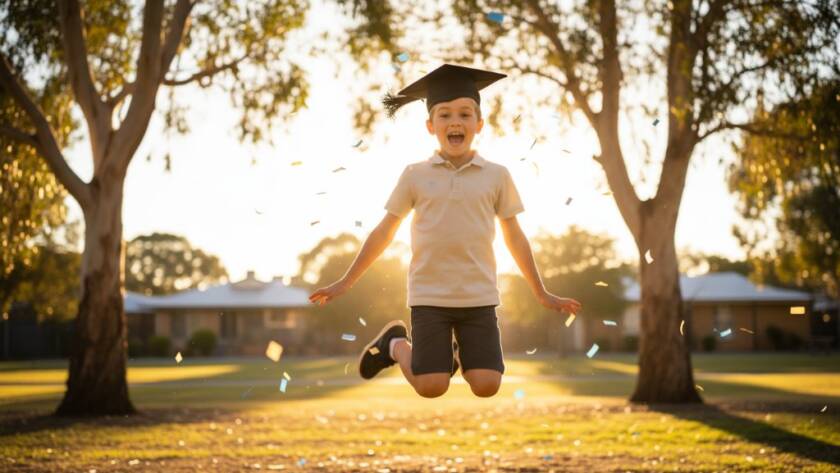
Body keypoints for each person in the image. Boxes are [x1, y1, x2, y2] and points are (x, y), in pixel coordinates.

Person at [309, 64, 581, 398]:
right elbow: (384, 231)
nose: (455, 121)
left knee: (487, 385)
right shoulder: (415, 175)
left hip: (479, 297)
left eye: (466, 114)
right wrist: (345, 281)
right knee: (431, 386)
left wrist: (541, 292)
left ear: (479, 124)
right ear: (430, 126)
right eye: (445, 114)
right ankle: (394, 343)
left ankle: (449, 355)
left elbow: (515, 236)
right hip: (429, 297)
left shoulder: (497, 175)